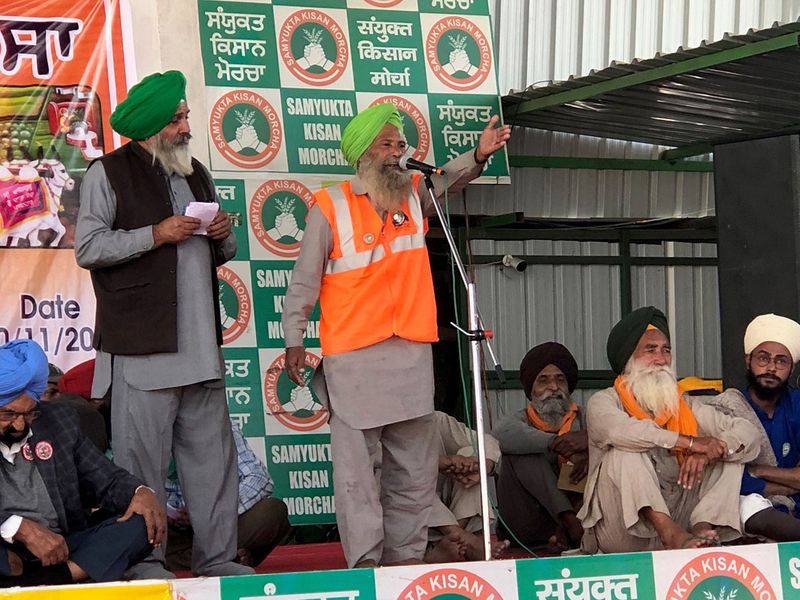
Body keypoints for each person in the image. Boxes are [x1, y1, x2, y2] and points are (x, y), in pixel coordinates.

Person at [282, 102, 511, 568]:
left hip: (409, 355)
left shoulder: (412, 195)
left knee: (415, 474)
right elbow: (304, 279)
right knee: (358, 478)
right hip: (354, 359)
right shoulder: (332, 206)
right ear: (363, 153)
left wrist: (480, 155)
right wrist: (293, 337)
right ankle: (366, 566)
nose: (397, 153)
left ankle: (405, 563)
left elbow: (446, 178)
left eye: (401, 145)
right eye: (387, 144)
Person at [75, 70, 249, 578]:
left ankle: (217, 561)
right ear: (151, 128)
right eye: (177, 120)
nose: (186, 126)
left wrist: (221, 232)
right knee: (140, 473)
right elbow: (88, 248)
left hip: (201, 354)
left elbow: (224, 251)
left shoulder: (195, 171)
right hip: (142, 352)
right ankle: (145, 564)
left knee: (214, 468)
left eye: (185, 116)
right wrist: (154, 233)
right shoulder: (106, 173)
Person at [578, 306, 760, 553]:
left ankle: (702, 526)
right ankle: (667, 531)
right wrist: (692, 443)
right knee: (625, 450)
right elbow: (623, 432)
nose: (661, 359)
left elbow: (746, 432)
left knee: (729, 452)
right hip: (623, 531)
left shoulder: (682, 403)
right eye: (650, 350)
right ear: (628, 358)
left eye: (666, 350)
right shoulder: (604, 401)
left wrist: (709, 451)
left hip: (682, 519)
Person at [0, 340, 164, 587]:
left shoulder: (58, 421)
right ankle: (65, 577)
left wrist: (139, 492)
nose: (20, 425)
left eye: (29, 413)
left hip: (63, 547)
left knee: (140, 521)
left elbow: (106, 478)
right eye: (8, 414)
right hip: (5, 549)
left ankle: (51, 579)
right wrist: (17, 527)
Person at [492, 342, 585, 551]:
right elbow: (499, 434)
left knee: (599, 450)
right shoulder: (518, 420)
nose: (553, 387)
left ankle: (569, 527)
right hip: (528, 525)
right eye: (543, 380)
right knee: (523, 453)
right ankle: (568, 522)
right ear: (531, 389)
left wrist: (589, 443)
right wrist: (555, 444)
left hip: (583, 515)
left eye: (560, 379)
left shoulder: (585, 418)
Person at [164, 420, 290, 571]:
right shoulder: (146, 428)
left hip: (220, 525)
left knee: (272, 511)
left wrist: (215, 510)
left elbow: (259, 478)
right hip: (172, 532)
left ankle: (187, 560)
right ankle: (227, 558)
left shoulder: (219, 423)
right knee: (139, 529)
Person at [731, 313, 800, 540]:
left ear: (791, 368)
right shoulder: (727, 409)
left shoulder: (797, 405)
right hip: (752, 508)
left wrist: (758, 470)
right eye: (763, 358)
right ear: (748, 360)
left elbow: (747, 475)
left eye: (781, 361)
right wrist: (787, 484)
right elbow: (731, 480)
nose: (771, 367)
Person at [424, 410, 507, 563]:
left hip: (443, 511)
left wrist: (483, 464)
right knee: (407, 479)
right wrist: (438, 462)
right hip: (408, 517)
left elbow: (485, 440)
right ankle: (465, 540)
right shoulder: (380, 423)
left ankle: (454, 540)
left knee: (472, 453)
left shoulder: (434, 419)